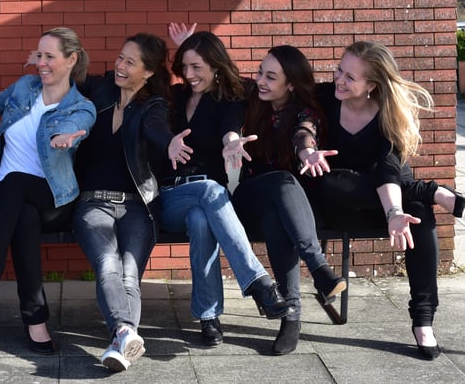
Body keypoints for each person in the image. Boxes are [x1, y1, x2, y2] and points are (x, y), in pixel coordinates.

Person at [304, 40, 460, 360]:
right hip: (339, 202)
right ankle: (431, 190)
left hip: (387, 204)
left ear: (372, 85)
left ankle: (423, 320)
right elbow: (296, 112)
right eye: (339, 70)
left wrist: (395, 211)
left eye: (350, 77)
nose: (339, 80)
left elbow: (389, 170)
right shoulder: (324, 98)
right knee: (330, 180)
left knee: (418, 215)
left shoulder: (388, 116)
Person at [0, 27, 96, 355]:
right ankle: (35, 321)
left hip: (53, 199)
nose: (41, 63)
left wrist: (65, 137)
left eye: (49, 56)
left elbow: (77, 128)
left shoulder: (81, 107)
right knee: (22, 215)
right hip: (7, 200)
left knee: (15, 182)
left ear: (71, 60)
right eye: (38, 55)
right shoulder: (23, 88)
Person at [159, 29, 291, 347]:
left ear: (215, 66)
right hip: (171, 195)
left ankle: (208, 316)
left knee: (201, 220)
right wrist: (189, 47)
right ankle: (259, 283)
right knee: (211, 190)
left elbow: (231, 126)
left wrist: (232, 141)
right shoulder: (175, 97)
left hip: (206, 204)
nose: (189, 74)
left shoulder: (227, 100)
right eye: (185, 66)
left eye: (197, 67)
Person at [226, 45, 346, 355]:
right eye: (260, 73)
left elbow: (304, 133)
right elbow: (220, 72)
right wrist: (194, 43)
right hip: (248, 200)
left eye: (271, 76)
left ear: (290, 84)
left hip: (288, 212)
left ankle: (291, 316)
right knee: (282, 180)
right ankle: (318, 268)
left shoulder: (305, 112)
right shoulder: (252, 96)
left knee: (276, 217)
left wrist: (307, 151)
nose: (260, 80)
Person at [73, 33, 183, 372]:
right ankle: (124, 331)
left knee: (130, 274)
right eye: (120, 57)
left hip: (137, 205)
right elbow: (73, 75)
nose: (120, 65)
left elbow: (156, 128)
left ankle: (121, 341)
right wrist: (55, 56)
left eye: (129, 62)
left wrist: (169, 144)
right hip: (93, 204)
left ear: (148, 72)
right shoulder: (102, 90)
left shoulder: (153, 105)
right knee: (108, 263)